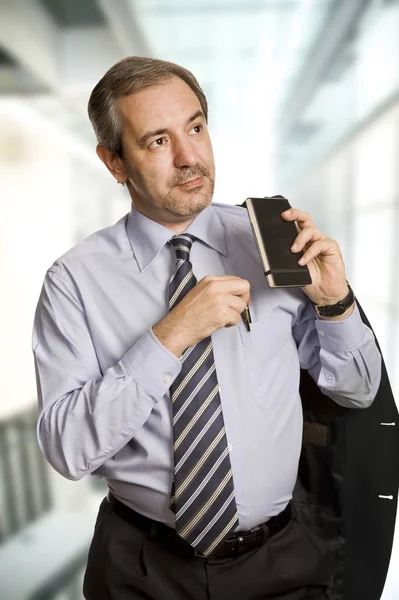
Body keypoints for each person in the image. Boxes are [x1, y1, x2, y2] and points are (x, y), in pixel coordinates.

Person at [32, 57, 382, 600]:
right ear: (114, 162)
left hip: (282, 564)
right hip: (140, 569)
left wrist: (335, 304)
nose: (191, 157)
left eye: (196, 127)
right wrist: (168, 337)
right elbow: (67, 450)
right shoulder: (73, 281)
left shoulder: (272, 237)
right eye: (157, 141)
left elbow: (357, 392)